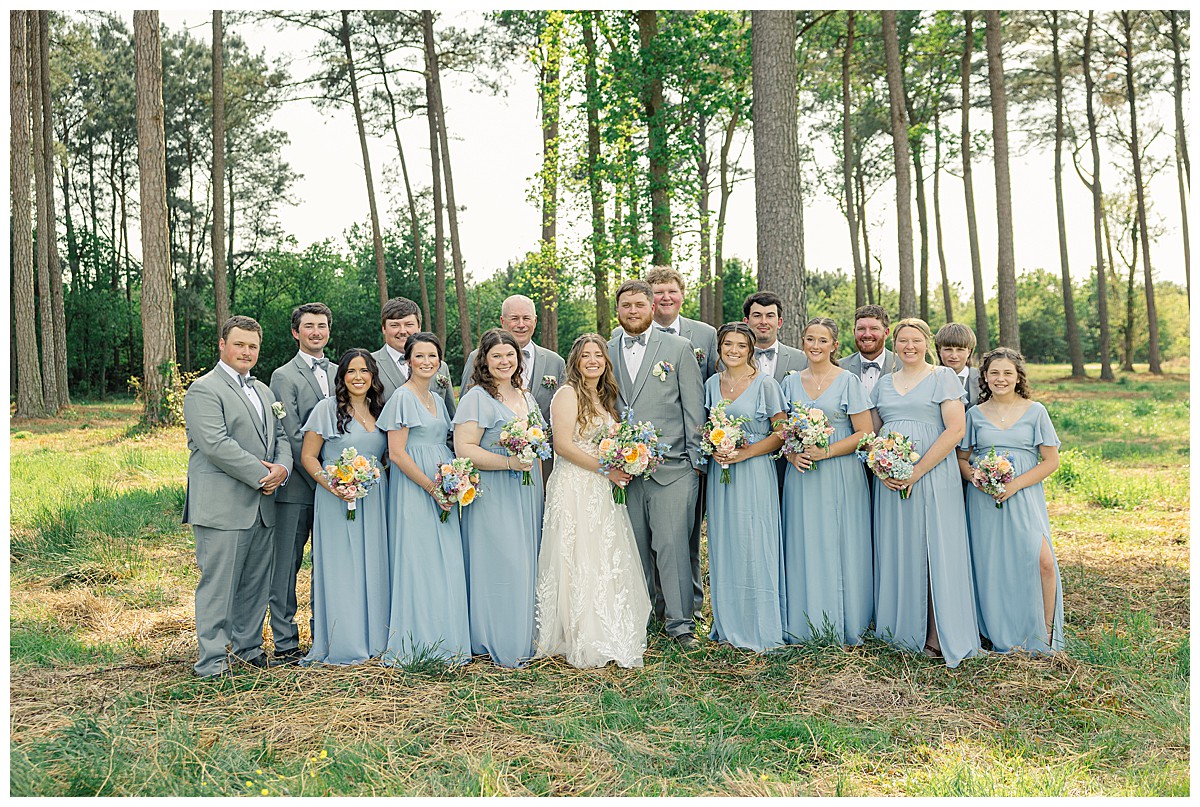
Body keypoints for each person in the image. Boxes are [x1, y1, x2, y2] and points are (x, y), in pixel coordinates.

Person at [183, 315, 292, 678]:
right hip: (223, 506)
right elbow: (215, 444)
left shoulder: (264, 391)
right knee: (219, 585)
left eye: (252, 346)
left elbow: (281, 438)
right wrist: (263, 475)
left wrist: (283, 469)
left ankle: (248, 650)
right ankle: (212, 661)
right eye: (239, 344)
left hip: (263, 506)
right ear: (222, 345)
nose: (246, 352)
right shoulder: (204, 389)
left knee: (255, 584)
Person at [533, 333, 652, 668]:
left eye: (598, 355)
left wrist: (626, 459)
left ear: (605, 361)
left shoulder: (604, 397)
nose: (593, 361)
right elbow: (563, 446)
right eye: (586, 355)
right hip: (575, 484)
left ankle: (606, 627)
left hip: (600, 487)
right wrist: (607, 469)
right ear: (576, 360)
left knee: (602, 553)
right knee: (577, 555)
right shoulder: (567, 394)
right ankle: (578, 634)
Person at [869, 318, 981, 668]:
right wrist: (881, 467)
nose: (909, 346)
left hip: (932, 475)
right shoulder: (883, 384)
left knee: (934, 547)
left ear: (927, 343)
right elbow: (873, 433)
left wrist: (916, 471)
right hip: (891, 480)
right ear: (895, 344)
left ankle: (936, 633)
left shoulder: (942, 377)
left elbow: (955, 430)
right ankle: (902, 631)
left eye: (916, 340)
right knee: (899, 547)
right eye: (903, 340)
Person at [606, 280, 705, 648]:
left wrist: (695, 463)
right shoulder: (606, 350)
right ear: (618, 310)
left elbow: (693, 408)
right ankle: (641, 619)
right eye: (626, 305)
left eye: (639, 305)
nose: (632, 311)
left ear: (651, 308)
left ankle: (681, 625)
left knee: (673, 547)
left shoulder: (678, 348)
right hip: (623, 471)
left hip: (673, 467)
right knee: (633, 547)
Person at [957, 348, 1064, 655]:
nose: (1000, 378)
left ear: (1018, 377)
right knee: (993, 566)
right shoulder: (974, 414)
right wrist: (977, 478)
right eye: (994, 373)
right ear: (985, 377)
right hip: (984, 501)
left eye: (1007, 373)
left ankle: (1045, 633)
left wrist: (1015, 484)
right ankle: (997, 631)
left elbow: (1051, 461)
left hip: (1024, 496)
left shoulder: (1036, 411)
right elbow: (962, 459)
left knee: (1043, 562)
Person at [453, 328, 545, 667]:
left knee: (526, 560)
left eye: (510, 355)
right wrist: (508, 462)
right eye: (496, 356)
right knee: (502, 562)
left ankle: (526, 637)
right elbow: (464, 448)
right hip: (494, 493)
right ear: (484, 360)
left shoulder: (526, 396)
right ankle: (495, 639)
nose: (504, 361)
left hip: (527, 490)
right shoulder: (476, 398)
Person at [779, 318, 873, 646]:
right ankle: (805, 623)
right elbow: (782, 430)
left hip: (841, 473)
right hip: (802, 476)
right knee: (804, 541)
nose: (815, 346)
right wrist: (793, 455)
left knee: (840, 542)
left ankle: (846, 621)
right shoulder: (790, 382)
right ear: (802, 342)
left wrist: (828, 451)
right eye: (810, 339)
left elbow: (865, 433)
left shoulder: (848, 381)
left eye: (823, 340)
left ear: (834, 345)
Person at [379, 332, 471, 666]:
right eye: (419, 356)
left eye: (432, 356)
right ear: (408, 360)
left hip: (443, 486)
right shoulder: (402, 398)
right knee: (419, 561)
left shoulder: (436, 397)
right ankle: (417, 643)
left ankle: (446, 640)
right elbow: (397, 453)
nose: (427, 362)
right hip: (414, 490)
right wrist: (432, 488)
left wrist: (455, 480)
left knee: (444, 561)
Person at [299, 349, 390, 665]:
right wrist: (334, 485)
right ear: (342, 377)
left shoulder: (380, 410)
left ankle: (375, 638)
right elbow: (308, 456)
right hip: (337, 497)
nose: (358, 377)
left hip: (375, 498)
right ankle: (345, 640)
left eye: (364, 371)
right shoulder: (326, 409)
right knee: (344, 567)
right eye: (351, 371)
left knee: (374, 564)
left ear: (372, 376)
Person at [703, 322, 786, 652]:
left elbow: (782, 433)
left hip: (754, 472)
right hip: (721, 474)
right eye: (728, 344)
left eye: (740, 345)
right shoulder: (712, 384)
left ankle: (761, 627)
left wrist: (746, 452)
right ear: (720, 348)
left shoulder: (766, 385)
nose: (733, 350)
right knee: (725, 543)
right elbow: (708, 427)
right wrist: (715, 447)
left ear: (751, 350)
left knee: (755, 542)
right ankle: (728, 626)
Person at [266, 302, 333, 666]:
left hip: (338, 488)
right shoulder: (283, 375)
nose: (316, 332)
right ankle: (285, 641)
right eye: (309, 326)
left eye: (321, 326)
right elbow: (291, 434)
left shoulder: (341, 371)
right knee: (286, 566)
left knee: (329, 563)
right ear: (296, 332)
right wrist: (319, 477)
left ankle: (325, 634)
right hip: (297, 488)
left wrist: (340, 480)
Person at [460, 294, 566, 482]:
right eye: (514, 318)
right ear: (502, 321)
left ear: (535, 321)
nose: (521, 324)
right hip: (491, 473)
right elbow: (465, 422)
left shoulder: (555, 362)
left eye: (526, 318)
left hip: (539, 468)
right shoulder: (477, 358)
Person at [743, 290, 808, 489]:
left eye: (769, 316)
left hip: (791, 457)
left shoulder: (801, 359)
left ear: (779, 322)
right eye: (757, 315)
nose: (763, 321)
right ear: (746, 321)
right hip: (746, 453)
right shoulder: (731, 360)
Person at [372, 296, 456, 414]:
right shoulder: (369, 364)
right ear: (384, 328)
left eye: (409, 324)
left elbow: (450, 413)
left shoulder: (440, 367)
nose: (402, 331)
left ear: (419, 327)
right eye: (395, 325)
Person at [839, 305, 901, 397]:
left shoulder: (903, 366)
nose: (867, 334)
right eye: (861, 329)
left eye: (874, 329)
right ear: (854, 332)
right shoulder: (839, 368)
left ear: (886, 332)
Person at [935, 322, 981, 408]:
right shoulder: (930, 379)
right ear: (939, 350)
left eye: (960, 350)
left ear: (969, 351)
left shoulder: (982, 379)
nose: (954, 356)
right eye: (948, 349)